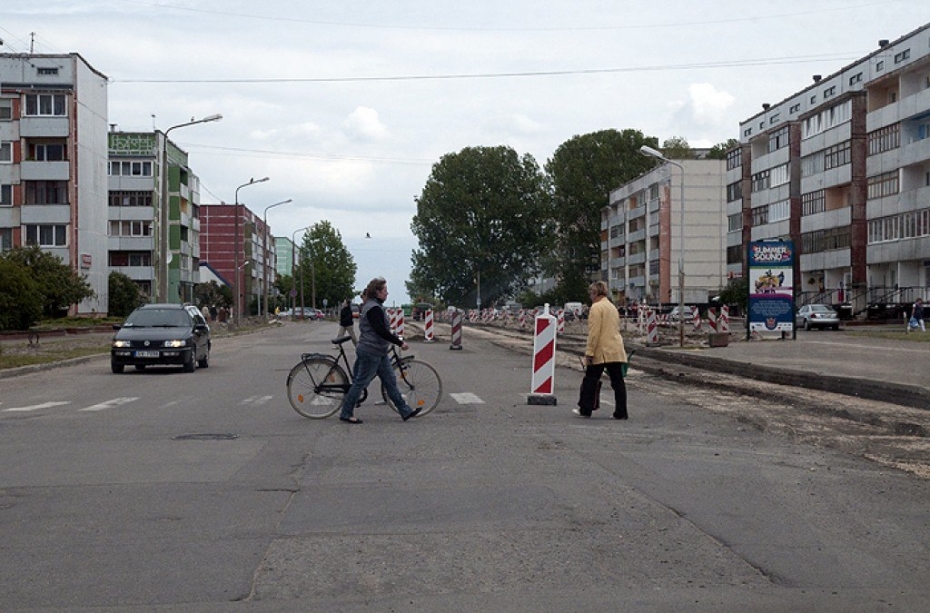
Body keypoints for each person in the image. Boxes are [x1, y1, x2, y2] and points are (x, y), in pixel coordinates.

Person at [338, 277, 421, 424]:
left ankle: (405, 411)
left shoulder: (373, 306)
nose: (387, 294)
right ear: (377, 292)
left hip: (379, 351)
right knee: (360, 383)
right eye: (385, 291)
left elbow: (383, 328)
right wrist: (399, 342)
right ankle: (346, 412)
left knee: (390, 381)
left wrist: (394, 335)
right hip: (371, 351)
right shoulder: (373, 308)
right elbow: (380, 330)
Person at [574, 280, 629, 419]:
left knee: (590, 379)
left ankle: (585, 409)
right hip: (615, 349)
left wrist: (589, 352)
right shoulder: (611, 307)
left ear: (595, 293)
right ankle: (621, 412)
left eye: (591, 293)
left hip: (601, 350)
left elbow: (594, 332)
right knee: (618, 382)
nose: (590, 296)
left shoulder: (596, 308)